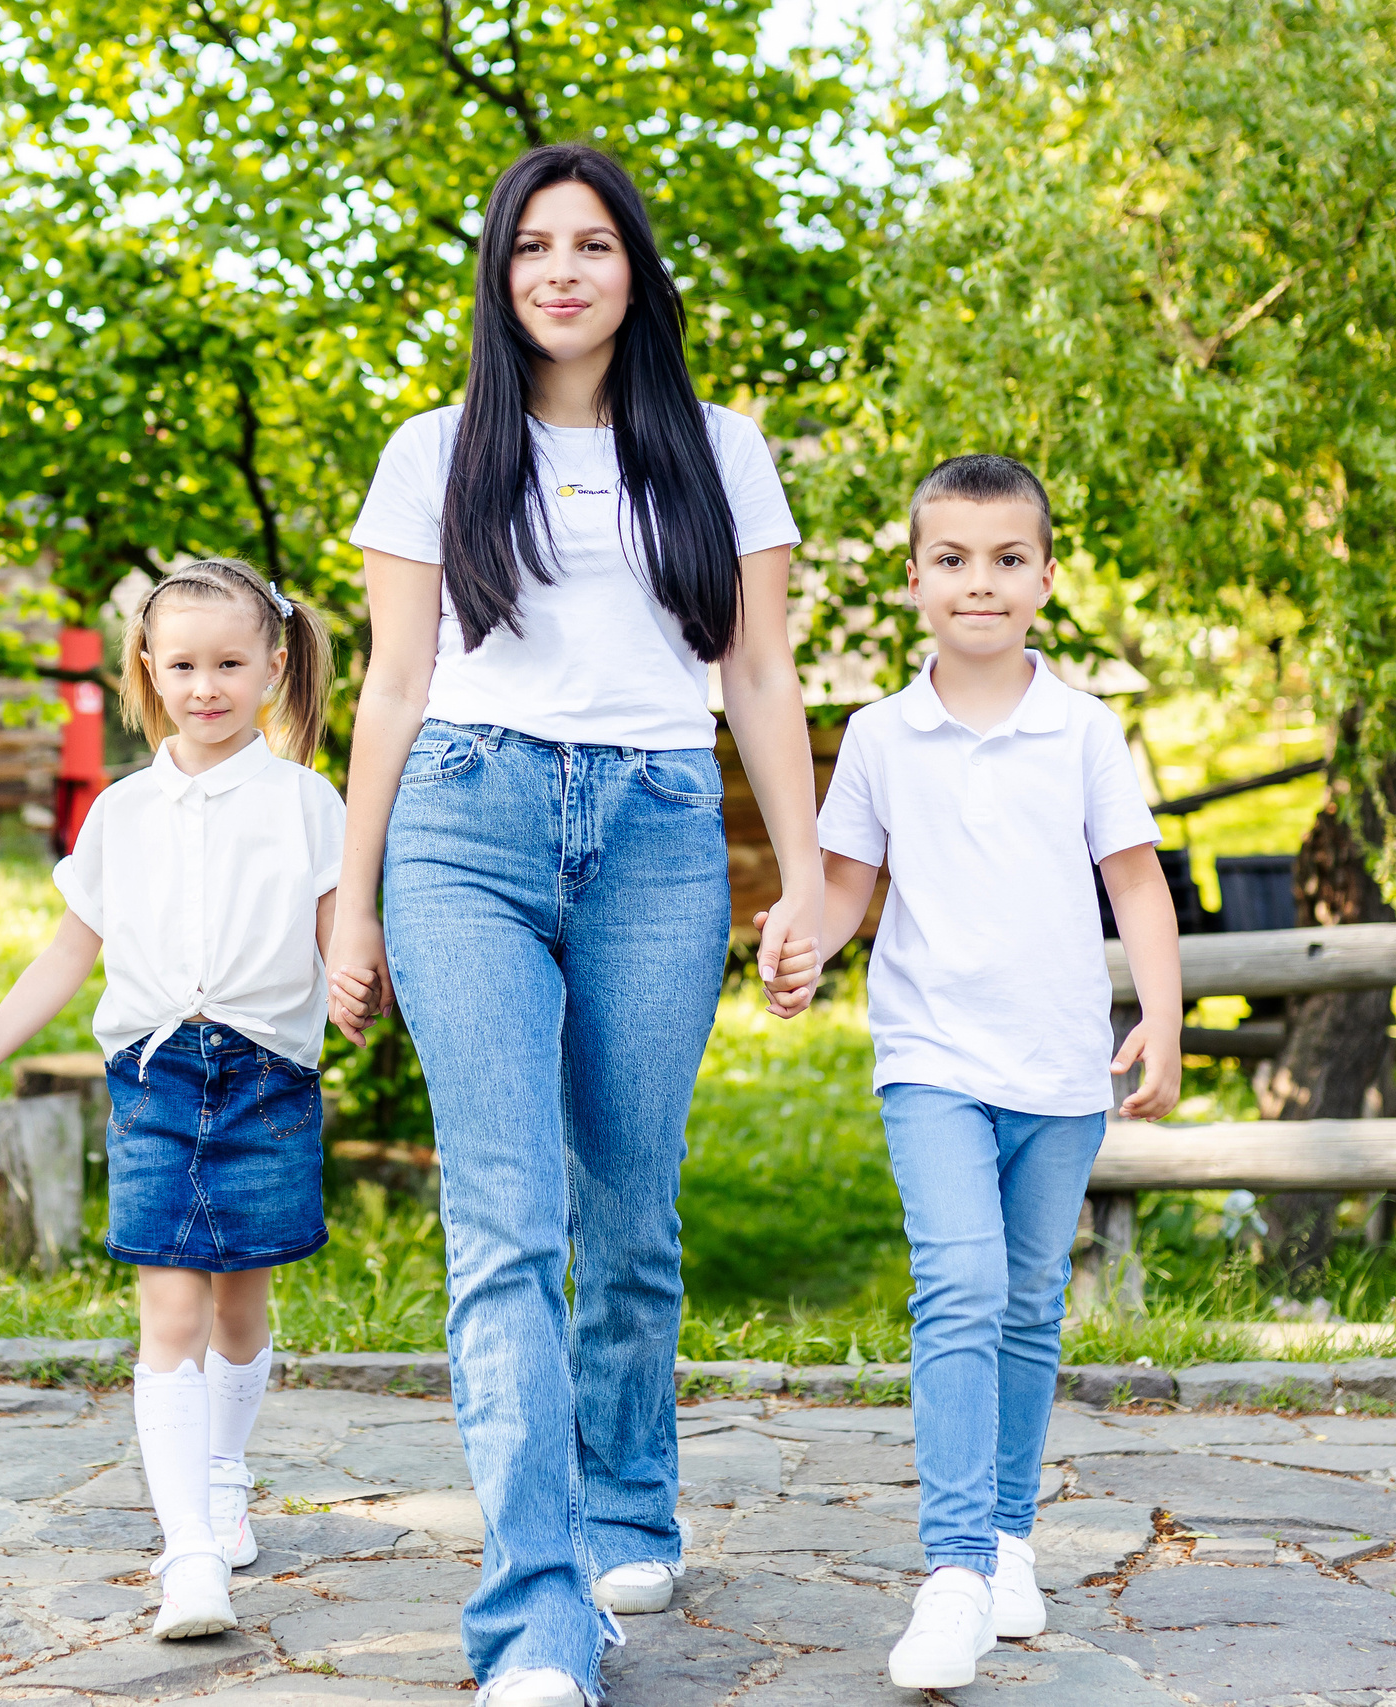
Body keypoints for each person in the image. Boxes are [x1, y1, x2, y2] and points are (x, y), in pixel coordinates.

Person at [325, 144, 825, 1707]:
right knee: (505, 1216)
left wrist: (804, 878)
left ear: (634, 270)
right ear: (500, 269)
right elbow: (392, 687)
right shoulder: (434, 450)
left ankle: (627, 1496)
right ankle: (537, 1614)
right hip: (464, 825)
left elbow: (758, 680)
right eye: (533, 245)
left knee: (631, 1201)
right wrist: (352, 896)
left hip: (662, 835)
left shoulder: (720, 449)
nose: (561, 270)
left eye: (592, 244)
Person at [808, 453, 1182, 1691]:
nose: (981, 583)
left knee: (1026, 1303)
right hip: (930, 1059)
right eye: (954, 560)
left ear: (1044, 578)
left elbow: (1134, 879)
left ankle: (1010, 1539)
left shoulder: (1080, 728)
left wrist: (1163, 1023)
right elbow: (849, 883)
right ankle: (954, 1570)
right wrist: (801, 934)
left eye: (1007, 559)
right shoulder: (876, 735)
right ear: (913, 579)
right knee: (959, 1287)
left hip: (1061, 1066)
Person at [0, 557, 343, 1643]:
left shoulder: (310, 803)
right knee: (169, 1314)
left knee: (240, 1307)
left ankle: (223, 1476)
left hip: (268, 1079)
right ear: (147, 672)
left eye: (228, 662)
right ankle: (191, 1554)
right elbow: (71, 952)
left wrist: (360, 983)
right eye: (181, 665)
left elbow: (336, 937)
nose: (205, 685)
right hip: (158, 1079)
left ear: (271, 663)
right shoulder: (119, 813)